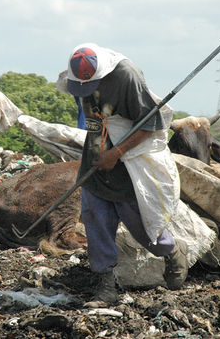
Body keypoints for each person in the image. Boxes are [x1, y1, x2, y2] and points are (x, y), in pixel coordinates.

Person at [62, 43, 187, 305]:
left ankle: (173, 250)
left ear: (101, 76)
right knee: (94, 217)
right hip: (98, 155)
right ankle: (105, 286)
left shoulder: (126, 76)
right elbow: (94, 120)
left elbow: (152, 125)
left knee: (140, 226)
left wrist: (115, 153)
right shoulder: (80, 81)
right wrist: (97, 154)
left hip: (130, 158)